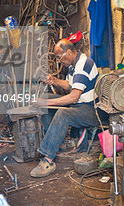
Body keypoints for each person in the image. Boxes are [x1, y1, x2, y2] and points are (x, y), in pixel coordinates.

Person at [30, 37, 104, 178]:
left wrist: (44, 103)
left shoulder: (83, 65)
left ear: (69, 52)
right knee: (47, 98)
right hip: (80, 105)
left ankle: (48, 160)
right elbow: (72, 86)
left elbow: (73, 97)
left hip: (91, 110)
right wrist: (55, 81)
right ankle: (53, 142)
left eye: (60, 57)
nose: (59, 61)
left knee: (63, 113)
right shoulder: (74, 65)